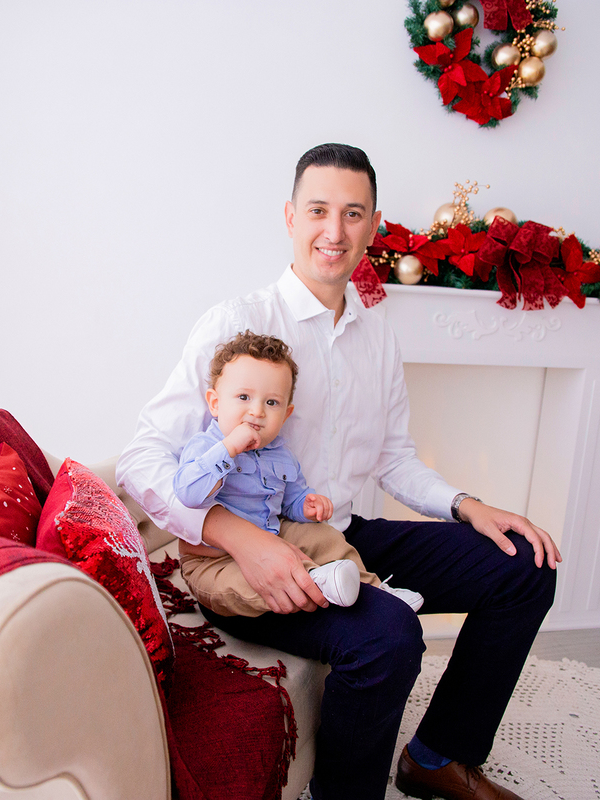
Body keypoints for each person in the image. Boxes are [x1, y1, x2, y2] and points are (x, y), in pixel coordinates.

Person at [117, 143, 560, 800]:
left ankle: (439, 757)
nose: (335, 231)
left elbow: (394, 459)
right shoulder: (239, 321)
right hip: (247, 558)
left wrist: (469, 505)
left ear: (373, 226)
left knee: (525, 562)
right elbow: (140, 460)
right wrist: (242, 538)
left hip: (341, 535)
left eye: (353, 214)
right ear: (290, 218)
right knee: (389, 636)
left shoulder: (376, 327)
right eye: (319, 210)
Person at [173, 329, 424, 615]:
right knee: (247, 585)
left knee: (322, 535)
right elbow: (188, 494)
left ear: (286, 414)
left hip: (274, 537)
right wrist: (229, 448)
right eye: (243, 397)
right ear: (215, 403)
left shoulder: (280, 453)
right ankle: (317, 581)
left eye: (271, 403)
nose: (257, 412)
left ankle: (375, 590)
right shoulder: (207, 447)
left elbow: (290, 499)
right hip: (213, 562)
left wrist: (306, 505)